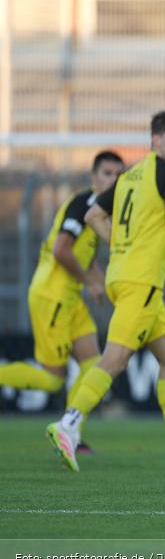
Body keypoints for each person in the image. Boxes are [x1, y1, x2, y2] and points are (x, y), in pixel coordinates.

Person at [45, 110, 165, 472]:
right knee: (115, 359)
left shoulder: (130, 175)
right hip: (142, 283)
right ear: (156, 140)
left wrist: (120, 247)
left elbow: (93, 216)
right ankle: (68, 425)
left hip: (124, 278)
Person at [0, 151, 124, 452]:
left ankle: (70, 433)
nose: (113, 180)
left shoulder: (103, 212)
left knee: (93, 364)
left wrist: (95, 282)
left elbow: (85, 255)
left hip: (71, 298)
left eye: (118, 175)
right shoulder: (84, 204)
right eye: (107, 173)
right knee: (53, 380)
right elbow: (61, 250)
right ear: (94, 176)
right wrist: (87, 281)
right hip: (51, 295)